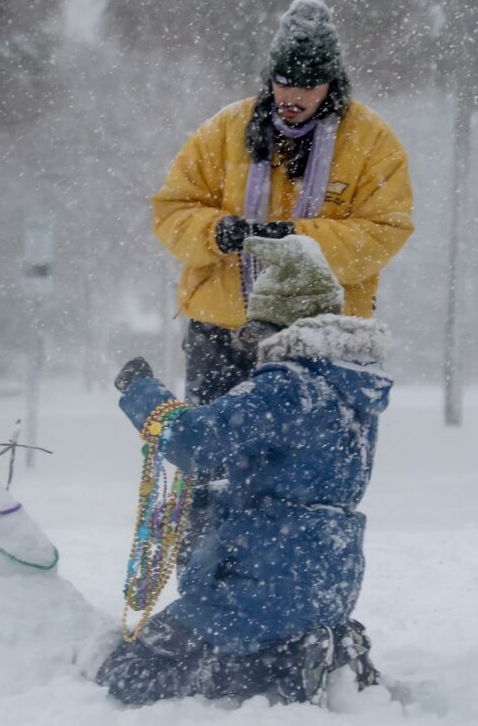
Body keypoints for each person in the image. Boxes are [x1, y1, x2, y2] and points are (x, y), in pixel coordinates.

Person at [149, 0, 414, 566]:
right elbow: (171, 211)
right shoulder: (224, 130)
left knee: (303, 484)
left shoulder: (372, 143)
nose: (291, 98)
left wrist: (293, 238)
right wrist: (216, 231)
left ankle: (287, 600)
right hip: (223, 331)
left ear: (332, 85)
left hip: (321, 344)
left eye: (307, 86)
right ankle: (204, 585)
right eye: (282, 83)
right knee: (210, 474)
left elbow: (386, 231)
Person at [97, 234, 391, 706]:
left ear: (281, 326)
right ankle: (316, 644)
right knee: (243, 644)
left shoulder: (287, 385)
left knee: (129, 674)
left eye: (255, 332)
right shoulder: (351, 390)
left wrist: (140, 389)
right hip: (325, 576)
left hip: (260, 580)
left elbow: (195, 442)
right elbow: (297, 478)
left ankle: (285, 661)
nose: (250, 347)